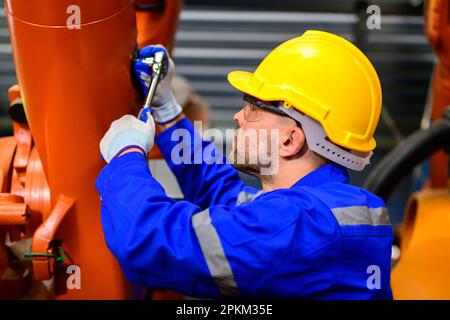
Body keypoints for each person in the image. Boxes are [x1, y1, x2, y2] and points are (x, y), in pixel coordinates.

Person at [96, 30, 393, 299]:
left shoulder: (302, 223)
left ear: (291, 141)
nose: (238, 117)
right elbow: (227, 196)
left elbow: (150, 241)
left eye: (253, 109)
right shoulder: (320, 211)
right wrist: (167, 110)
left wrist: (126, 157)